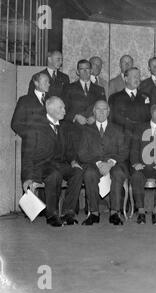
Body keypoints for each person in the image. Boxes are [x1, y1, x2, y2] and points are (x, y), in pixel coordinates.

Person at [21, 96, 83, 227]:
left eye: (64, 108)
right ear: (50, 109)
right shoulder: (35, 127)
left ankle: (68, 213)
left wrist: (73, 161)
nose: (65, 111)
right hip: (41, 166)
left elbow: (70, 150)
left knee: (77, 172)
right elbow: (26, 155)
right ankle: (52, 215)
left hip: (59, 164)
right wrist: (27, 178)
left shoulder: (64, 127)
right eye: (61, 108)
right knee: (54, 174)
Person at [78, 100, 129, 226]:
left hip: (114, 164)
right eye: (98, 109)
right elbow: (82, 153)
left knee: (118, 173)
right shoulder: (86, 130)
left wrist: (110, 163)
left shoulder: (118, 129)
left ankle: (115, 213)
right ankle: (94, 213)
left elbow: (124, 152)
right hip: (94, 164)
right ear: (94, 112)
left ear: (109, 111)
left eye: (104, 109)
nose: (101, 112)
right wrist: (99, 163)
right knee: (89, 174)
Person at [130, 104, 156, 225]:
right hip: (142, 166)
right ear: (155, 114)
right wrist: (136, 163)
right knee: (136, 176)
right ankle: (141, 212)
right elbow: (134, 149)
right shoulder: (139, 128)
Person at [63, 59, 106, 150]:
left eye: (87, 69)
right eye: (82, 69)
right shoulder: (69, 88)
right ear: (78, 72)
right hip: (74, 130)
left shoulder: (100, 90)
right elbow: (63, 110)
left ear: (91, 70)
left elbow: (105, 110)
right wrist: (75, 117)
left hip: (94, 131)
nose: (85, 71)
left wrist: (95, 117)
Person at [109, 67, 151, 137]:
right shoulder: (114, 98)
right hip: (122, 137)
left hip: (141, 137)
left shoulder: (145, 96)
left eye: (139, 76)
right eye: (135, 77)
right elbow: (113, 120)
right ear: (126, 79)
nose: (137, 79)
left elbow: (148, 118)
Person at [12, 72, 50, 137]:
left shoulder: (51, 99)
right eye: (45, 82)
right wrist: (29, 137)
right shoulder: (24, 100)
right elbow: (15, 124)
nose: (49, 84)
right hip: (31, 145)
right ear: (36, 83)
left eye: (49, 82)